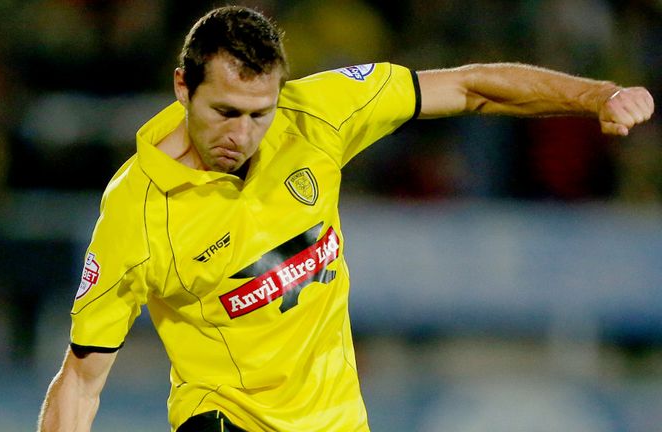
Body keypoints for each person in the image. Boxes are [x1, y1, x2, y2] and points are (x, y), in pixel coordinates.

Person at [37, 5, 654, 432]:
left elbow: (470, 87)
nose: (242, 135)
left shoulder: (318, 115)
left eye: (259, 113)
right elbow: (82, 379)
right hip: (227, 420)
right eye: (225, 111)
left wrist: (597, 96)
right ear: (182, 88)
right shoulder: (137, 212)